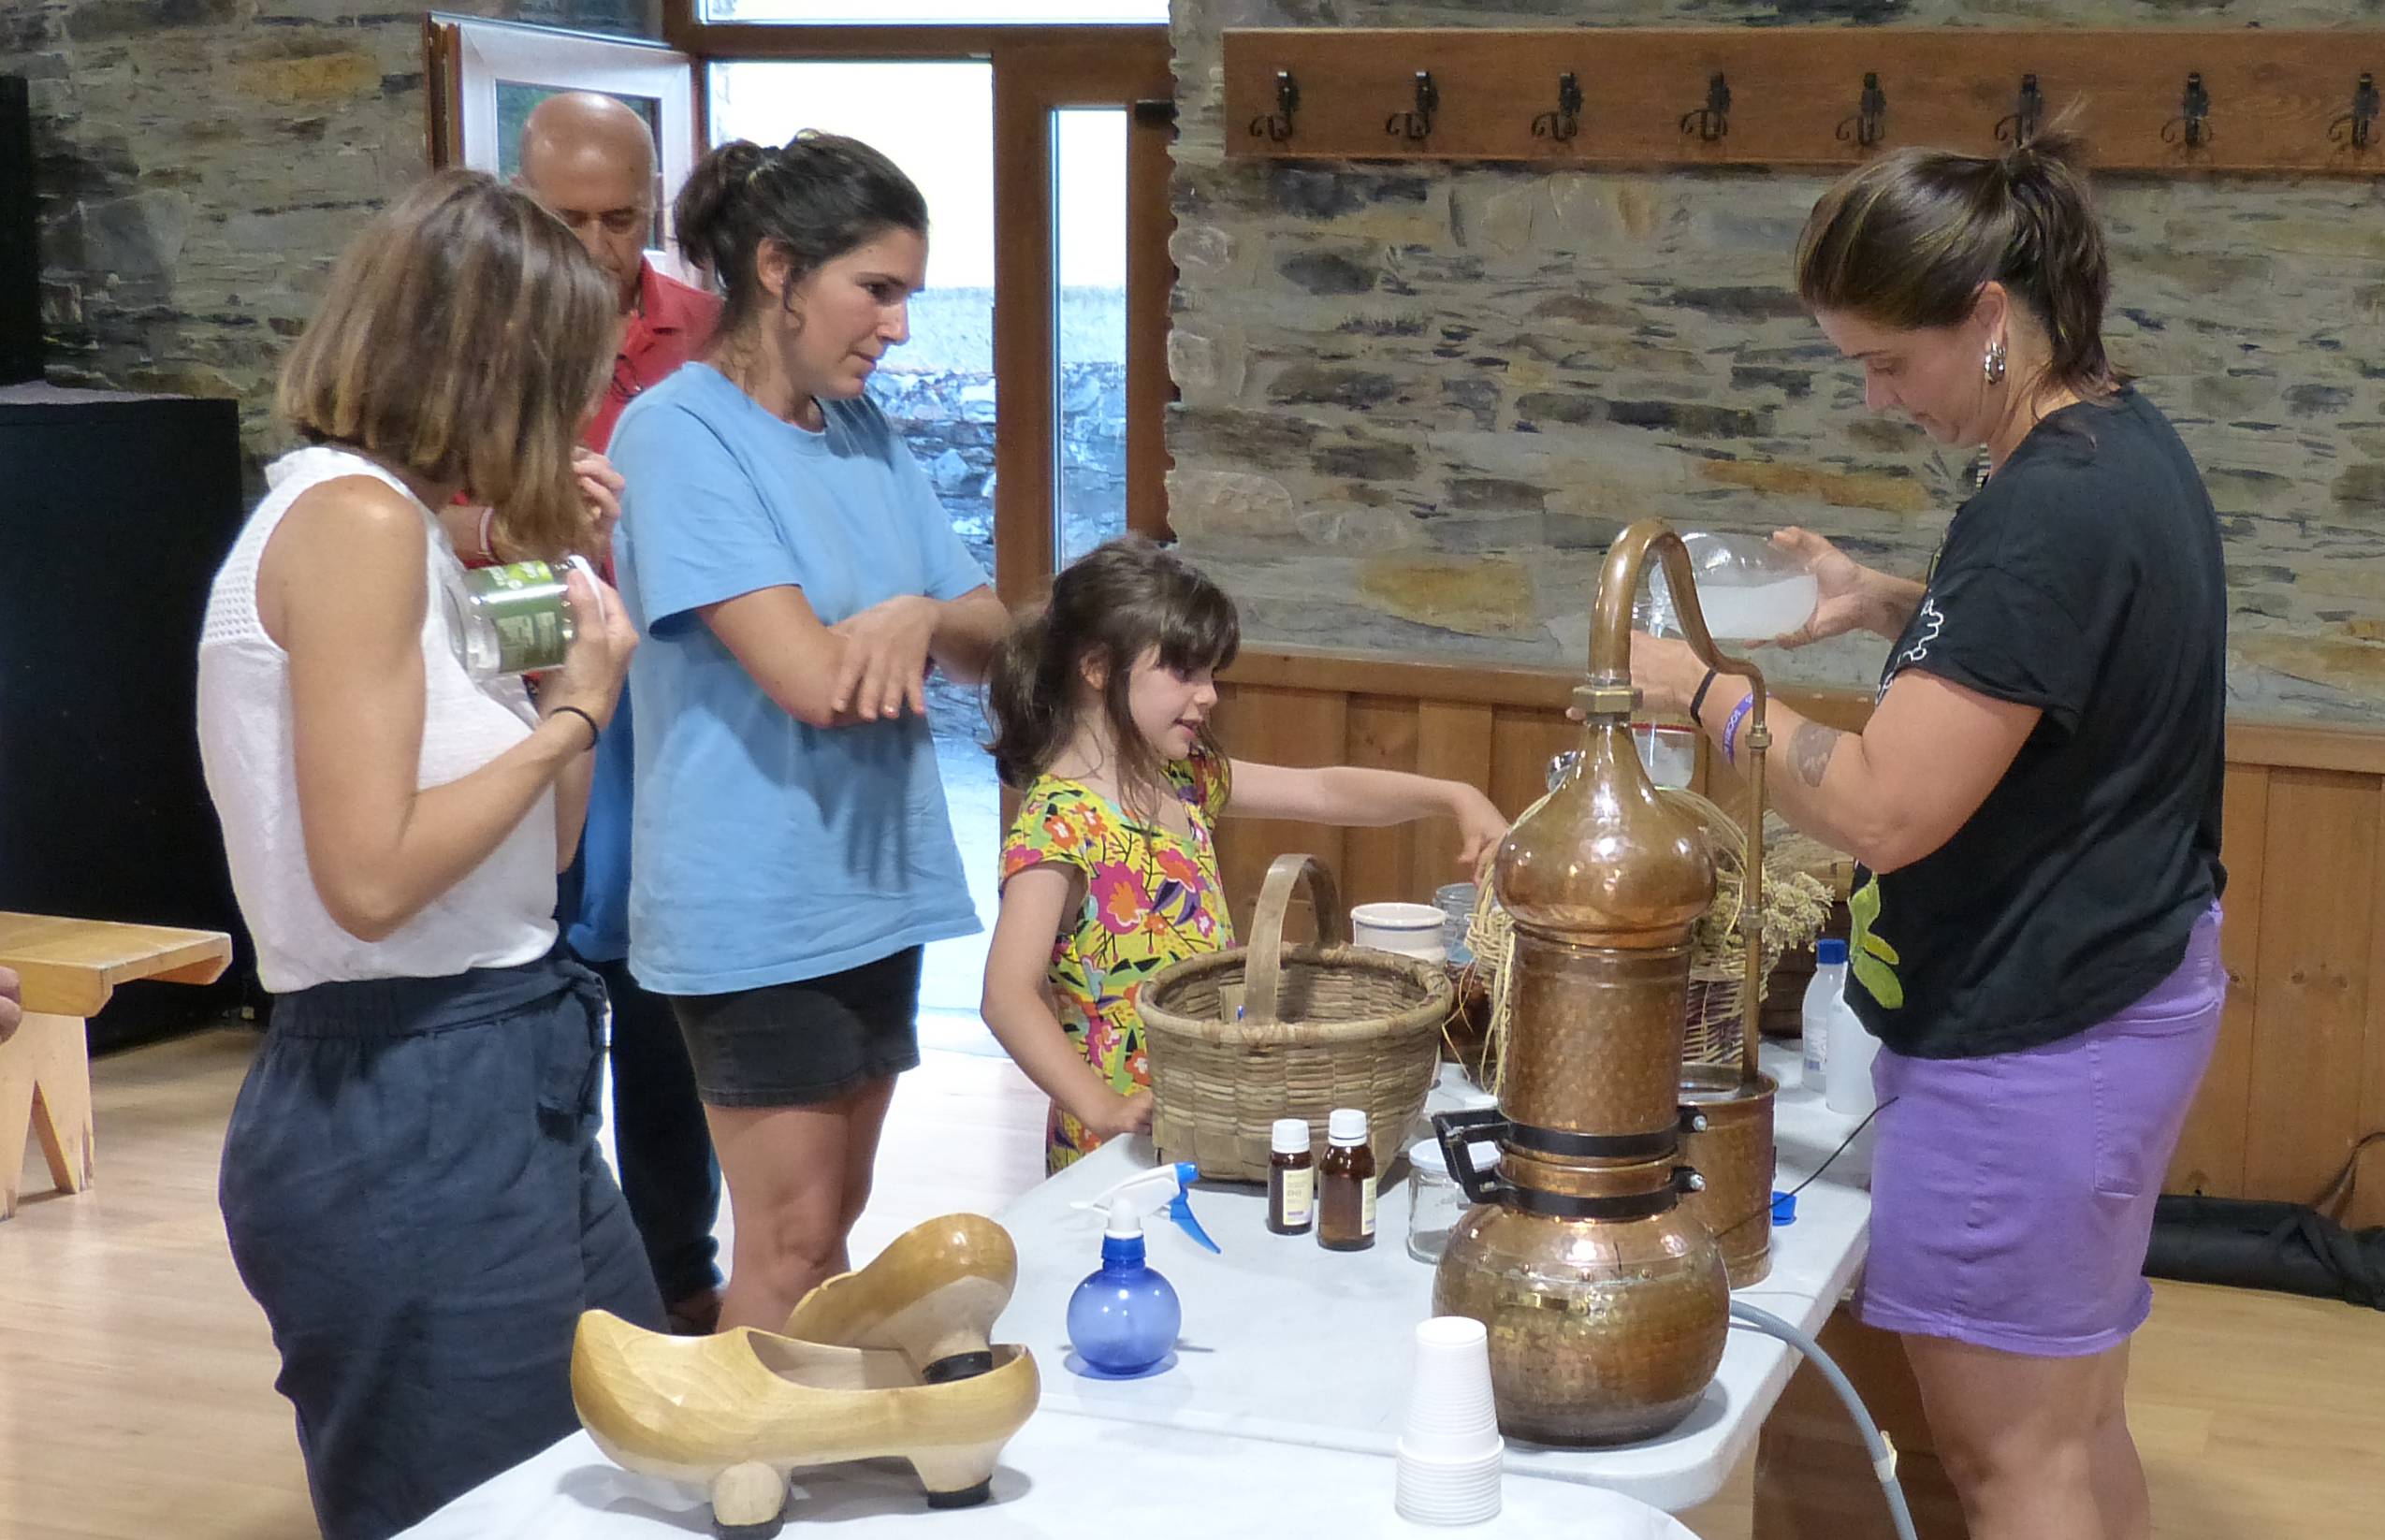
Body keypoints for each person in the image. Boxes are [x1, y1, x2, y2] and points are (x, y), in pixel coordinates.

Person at [1630, 132, 2225, 1540]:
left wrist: (1705, 694)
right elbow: (2054, 660)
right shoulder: (2112, 442)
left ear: (1988, 316)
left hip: (2038, 1031)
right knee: (2071, 1428)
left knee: (2008, 1461)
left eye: (1887, 363)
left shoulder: (2045, 511)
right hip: (2126, 986)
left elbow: (1887, 808)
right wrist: (1885, 597)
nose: (1876, 397)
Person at [196, 169, 658, 1540]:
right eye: (568, 373)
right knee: (483, 1511)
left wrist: (533, 578)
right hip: (399, 1089)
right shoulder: (353, 523)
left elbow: (547, 848)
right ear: (489, 360)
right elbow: (375, 878)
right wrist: (579, 705)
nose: (581, 411)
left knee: (636, 1472)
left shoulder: (426, 538)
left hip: (508, 1057)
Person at [607, 133, 1011, 1334]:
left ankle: (791, 1461)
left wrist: (923, 615)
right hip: (753, 901)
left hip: (871, 888)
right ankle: (727, 1490)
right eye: (875, 291)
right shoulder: (679, 436)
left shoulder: (864, 432)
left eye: (905, 296)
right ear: (778, 270)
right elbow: (809, 678)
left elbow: (993, 631)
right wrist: (909, 630)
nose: (895, 328)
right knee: (782, 1243)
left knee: (829, 1228)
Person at [439, 89, 729, 1335]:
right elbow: (422, 527)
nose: (604, 249)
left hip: (674, 699)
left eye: (627, 219)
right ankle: (538, 1260)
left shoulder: (713, 333)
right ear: (519, 207)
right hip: (524, 691)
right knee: (544, 978)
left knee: (667, 1008)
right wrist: (518, 528)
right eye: (572, 220)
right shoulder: (468, 344)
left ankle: (674, 1272)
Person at [982, 538, 1512, 1173]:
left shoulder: (1183, 779)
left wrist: (1452, 795)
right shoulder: (1058, 825)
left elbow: (1322, 788)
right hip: (1118, 1147)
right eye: (1184, 672)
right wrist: (1099, 1104)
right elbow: (1008, 994)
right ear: (1096, 668)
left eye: (1211, 673)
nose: (1208, 695)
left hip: (1208, 1114)